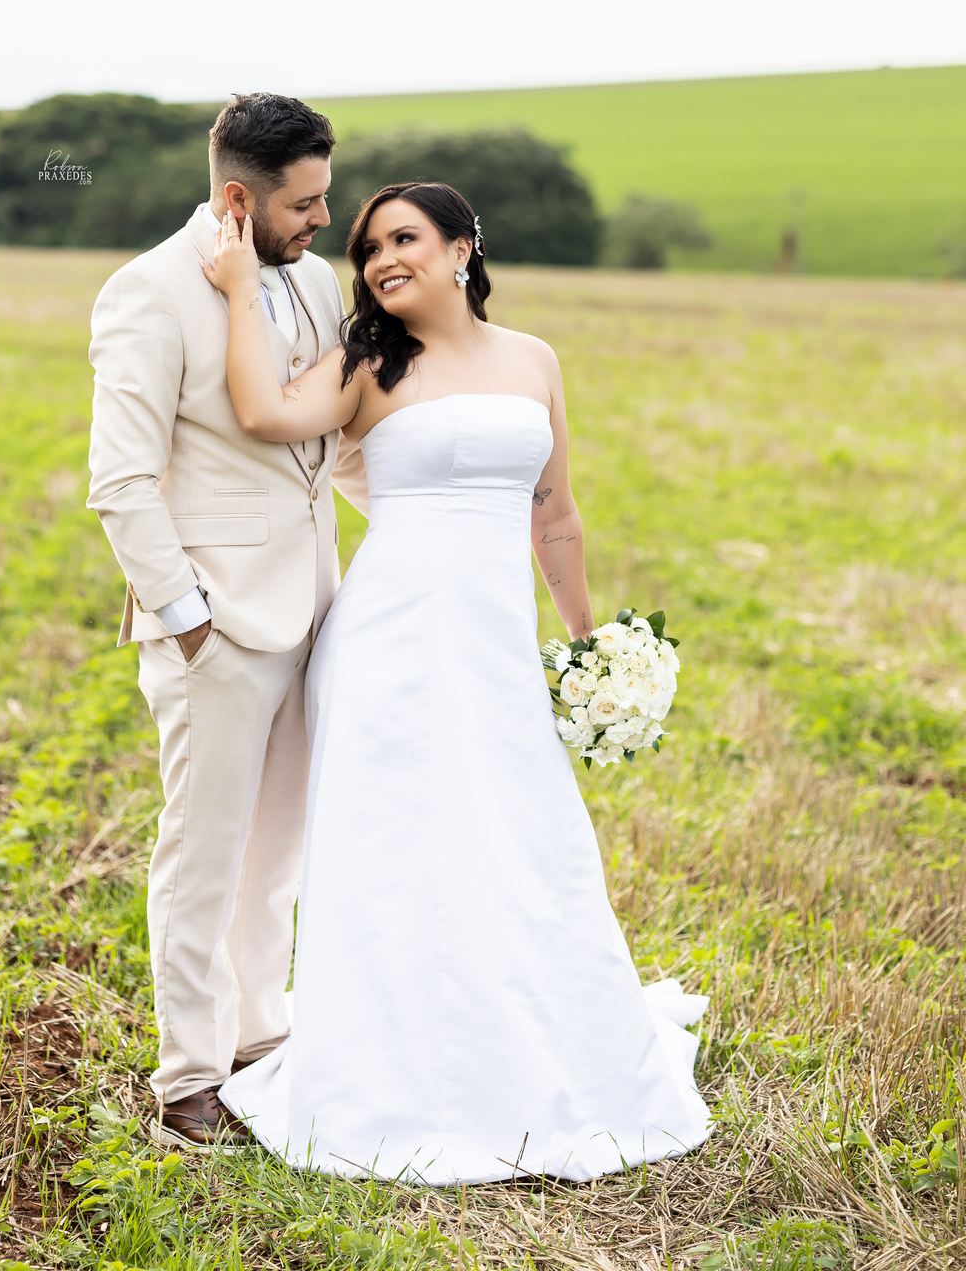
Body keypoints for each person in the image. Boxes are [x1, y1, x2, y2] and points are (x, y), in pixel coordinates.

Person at [205, 180, 711, 1184]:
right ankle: (392, 1066)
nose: (382, 259)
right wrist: (235, 291)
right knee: (394, 842)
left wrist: (589, 644)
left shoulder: (533, 360)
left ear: (461, 248)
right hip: (387, 643)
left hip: (495, 646)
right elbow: (263, 413)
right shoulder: (366, 362)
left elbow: (554, 513)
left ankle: (531, 1041)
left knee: (523, 832)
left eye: (404, 238)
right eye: (367, 248)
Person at [86, 92, 369, 1150]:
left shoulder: (314, 281)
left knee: (278, 849)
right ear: (240, 199)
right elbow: (120, 480)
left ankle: (259, 1037)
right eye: (305, 204)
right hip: (215, 624)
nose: (325, 220)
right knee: (202, 855)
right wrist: (186, 618)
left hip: (314, 608)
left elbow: (324, 443)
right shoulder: (147, 292)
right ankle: (189, 1079)